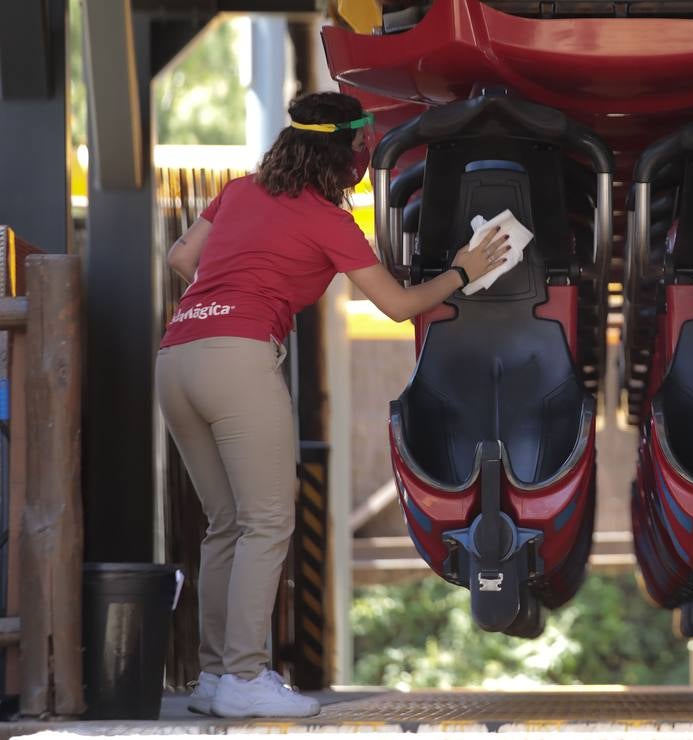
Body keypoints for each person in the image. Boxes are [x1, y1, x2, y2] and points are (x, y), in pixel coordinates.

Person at [157, 92, 510, 719]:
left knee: (226, 524)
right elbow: (399, 305)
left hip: (178, 353)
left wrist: (227, 299)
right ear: (345, 151)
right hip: (237, 361)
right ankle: (243, 677)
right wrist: (462, 270)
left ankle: (214, 679)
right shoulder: (328, 221)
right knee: (268, 521)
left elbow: (181, 257)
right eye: (360, 144)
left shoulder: (238, 192)